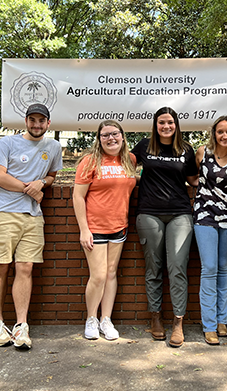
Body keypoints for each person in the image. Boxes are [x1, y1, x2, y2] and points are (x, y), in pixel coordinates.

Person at [0, 103, 62, 350]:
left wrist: (41, 183)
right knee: (1, 266)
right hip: (4, 213)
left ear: (48, 123)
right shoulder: (8, 143)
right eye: (32, 120)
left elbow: (51, 175)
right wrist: (28, 189)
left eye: (42, 120)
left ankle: (21, 325)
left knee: (25, 268)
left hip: (33, 217)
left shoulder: (53, 147)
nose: (37, 124)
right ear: (26, 121)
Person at [131, 107, 199, 348]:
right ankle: (156, 317)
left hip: (180, 213)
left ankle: (178, 322)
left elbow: (193, 179)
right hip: (149, 213)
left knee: (178, 267)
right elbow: (125, 167)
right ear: (155, 125)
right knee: (154, 268)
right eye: (162, 122)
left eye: (170, 122)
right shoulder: (144, 146)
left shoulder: (186, 149)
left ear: (176, 124)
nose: (166, 126)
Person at [73, 120, 137, 341]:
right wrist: (84, 229)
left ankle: (106, 319)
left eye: (115, 134)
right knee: (98, 275)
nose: (111, 139)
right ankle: (91, 318)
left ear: (122, 136)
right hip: (95, 228)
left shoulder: (130, 160)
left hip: (119, 226)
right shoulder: (90, 162)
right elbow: (78, 196)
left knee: (111, 273)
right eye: (105, 135)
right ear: (99, 139)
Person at [193, 116, 227, 345]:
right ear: (213, 133)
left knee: (224, 269)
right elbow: (194, 179)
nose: (224, 135)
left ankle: (222, 320)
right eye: (220, 131)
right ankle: (209, 325)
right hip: (204, 217)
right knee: (210, 268)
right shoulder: (202, 152)